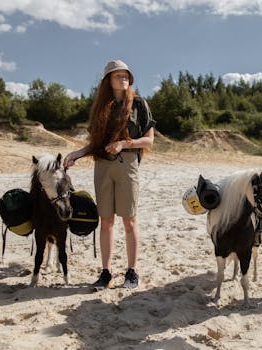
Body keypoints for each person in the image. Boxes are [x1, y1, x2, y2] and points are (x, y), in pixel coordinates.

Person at [63, 60, 156, 289]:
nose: (123, 79)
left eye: (126, 76)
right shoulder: (100, 108)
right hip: (102, 167)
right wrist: (77, 153)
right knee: (106, 221)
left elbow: (150, 140)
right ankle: (106, 273)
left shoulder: (139, 104)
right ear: (108, 80)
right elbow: (96, 144)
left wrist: (124, 144)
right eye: (118, 76)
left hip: (128, 164)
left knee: (130, 220)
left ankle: (132, 272)